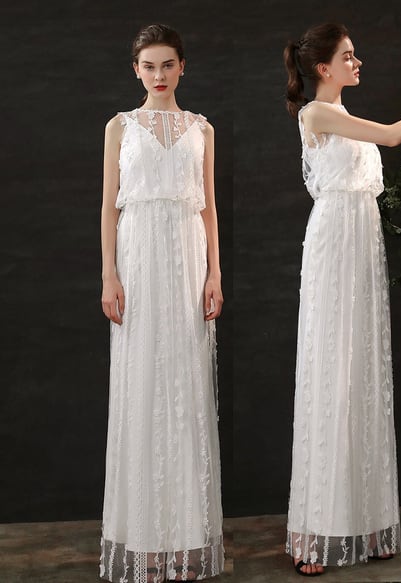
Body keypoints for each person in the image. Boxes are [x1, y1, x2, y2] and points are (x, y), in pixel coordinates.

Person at [283, 23, 401, 577]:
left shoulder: (340, 114)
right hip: (335, 243)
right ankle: (316, 531)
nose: (357, 61)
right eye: (348, 56)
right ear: (324, 68)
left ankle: (366, 521)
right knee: (332, 372)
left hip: (362, 241)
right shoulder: (316, 114)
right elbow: (390, 136)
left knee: (362, 370)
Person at [99, 24, 224, 582]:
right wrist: (109, 274)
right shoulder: (119, 127)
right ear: (136, 70)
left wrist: (215, 272)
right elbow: (109, 207)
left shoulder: (202, 128)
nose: (158, 75)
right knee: (142, 387)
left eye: (167, 64)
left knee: (186, 390)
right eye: (149, 66)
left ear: (182, 67)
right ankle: (146, 543)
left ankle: (185, 540)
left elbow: (208, 207)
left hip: (188, 262)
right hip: (139, 262)